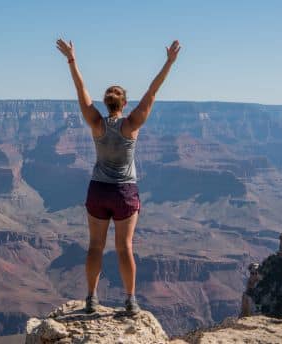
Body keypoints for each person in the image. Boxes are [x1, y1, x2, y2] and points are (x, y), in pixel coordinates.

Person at [56, 38, 181, 315]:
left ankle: (90, 298)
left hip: (98, 191)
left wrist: (72, 60)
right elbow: (152, 91)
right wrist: (169, 62)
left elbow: (81, 89)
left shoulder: (95, 122)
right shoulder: (132, 124)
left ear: (105, 102)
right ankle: (130, 300)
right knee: (124, 247)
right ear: (124, 103)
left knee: (95, 246)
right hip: (124, 192)